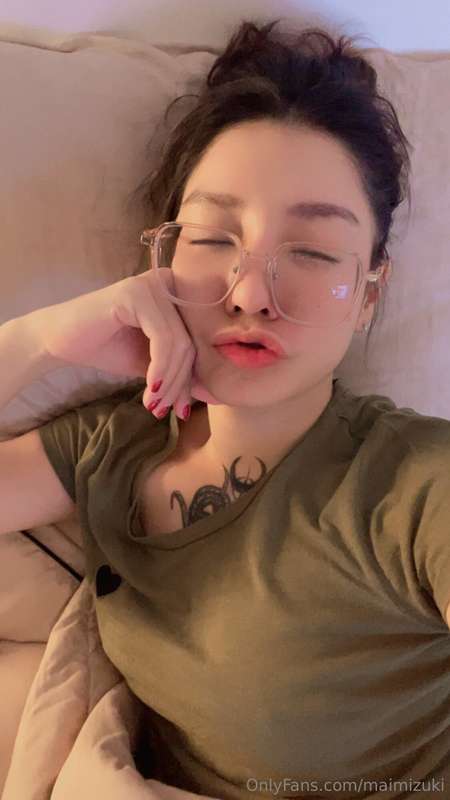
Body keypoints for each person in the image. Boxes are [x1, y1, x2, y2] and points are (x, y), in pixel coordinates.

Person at [1, 17, 449, 800]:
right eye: (212, 239)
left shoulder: (415, 485)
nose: (249, 294)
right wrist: (39, 340)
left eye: (312, 252)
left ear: (369, 296)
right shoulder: (113, 446)